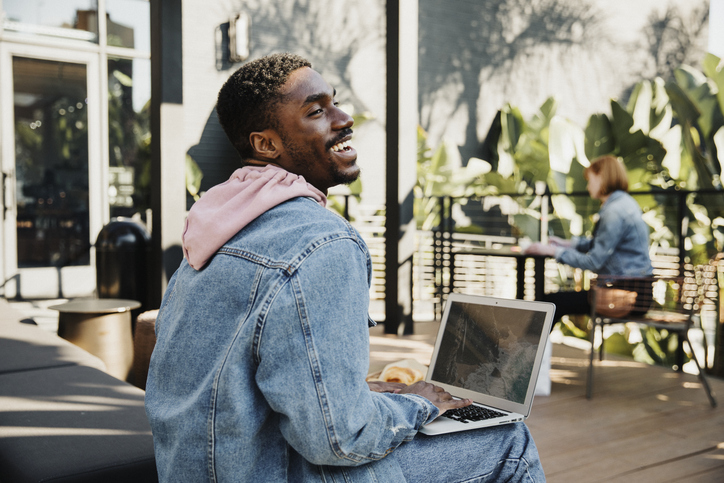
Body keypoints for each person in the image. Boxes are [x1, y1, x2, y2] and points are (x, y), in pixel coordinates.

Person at [144, 53, 545, 482]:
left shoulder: (214, 226)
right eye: (316, 111)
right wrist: (420, 402)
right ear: (266, 144)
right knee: (509, 442)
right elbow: (340, 440)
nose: (344, 117)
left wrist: (361, 392)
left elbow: (241, 385)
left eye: (334, 102)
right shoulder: (323, 242)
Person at [524, 155, 653, 322]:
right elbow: (601, 245)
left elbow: (593, 262)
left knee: (550, 304)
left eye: (590, 180)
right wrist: (568, 244)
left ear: (601, 177)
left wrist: (553, 250)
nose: (588, 186)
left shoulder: (613, 212)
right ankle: (534, 348)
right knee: (552, 303)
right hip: (636, 293)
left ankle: (526, 348)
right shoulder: (624, 203)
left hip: (626, 296)